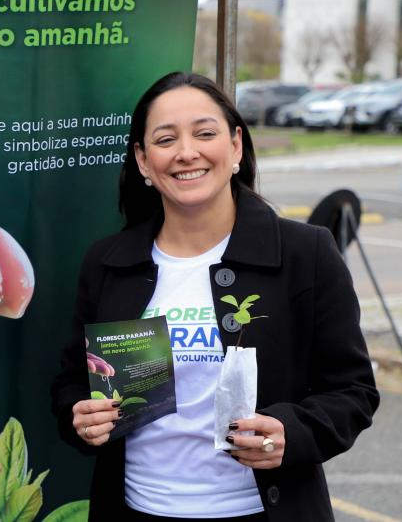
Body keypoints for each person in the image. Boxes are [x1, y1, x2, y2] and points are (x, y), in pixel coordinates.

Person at [50, 72, 379, 522]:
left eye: (205, 133)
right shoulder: (108, 262)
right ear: (144, 162)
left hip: (260, 512)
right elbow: (71, 383)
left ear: (236, 146)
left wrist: (293, 432)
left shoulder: (306, 253)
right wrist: (81, 415)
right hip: (135, 509)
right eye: (166, 139)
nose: (187, 152)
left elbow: (353, 391)